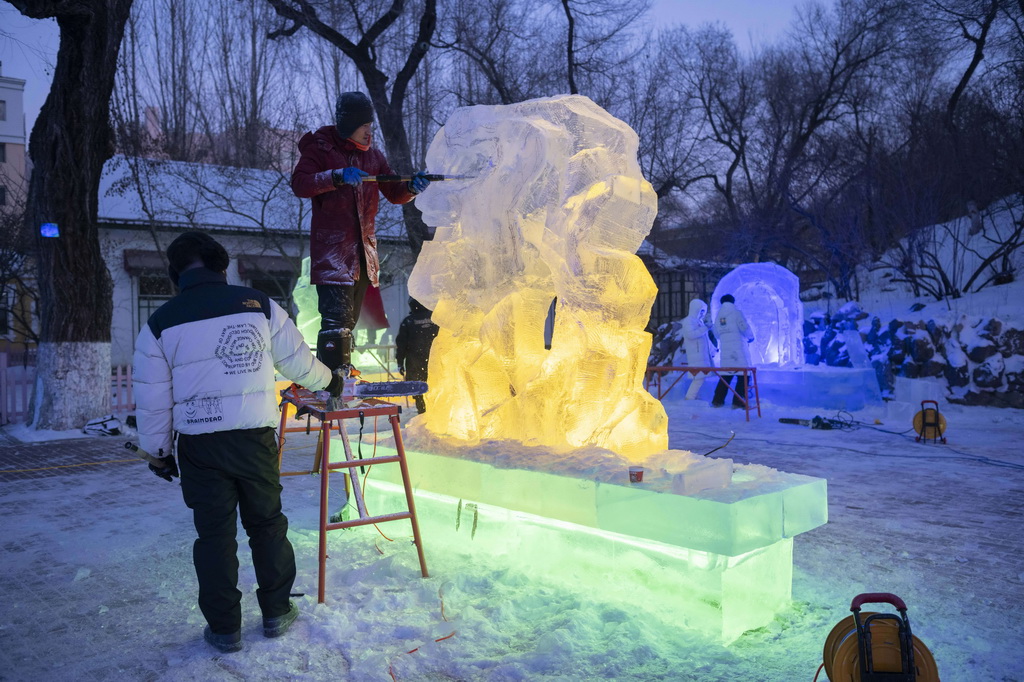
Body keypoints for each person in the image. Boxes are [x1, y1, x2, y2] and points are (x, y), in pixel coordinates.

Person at [133, 232, 345, 653]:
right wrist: (332, 380)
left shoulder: (160, 323)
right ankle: (276, 611)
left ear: (176, 275)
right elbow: (298, 362)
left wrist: (158, 453)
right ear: (221, 266)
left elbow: (153, 397)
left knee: (214, 536)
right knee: (266, 524)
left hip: (198, 446)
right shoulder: (258, 305)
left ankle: (225, 628)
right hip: (253, 440)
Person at [290, 91, 431, 376]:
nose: (369, 132)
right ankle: (333, 376)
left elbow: (393, 192)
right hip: (333, 254)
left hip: (363, 255)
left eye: (371, 126)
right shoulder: (320, 149)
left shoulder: (374, 157)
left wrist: (412, 188)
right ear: (349, 124)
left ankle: (340, 368)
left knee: (350, 320)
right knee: (336, 319)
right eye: (364, 125)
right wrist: (336, 176)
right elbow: (300, 184)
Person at [395, 297, 439, 414]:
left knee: (418, 387)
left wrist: (400, 362)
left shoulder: (408, 321)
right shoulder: (436, 318)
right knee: (435, 385)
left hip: (415, 362)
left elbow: (401, 344)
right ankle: (435, 411)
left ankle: (422, 410)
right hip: (435, 360)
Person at [711, 293, 754, 408]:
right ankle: (738, 402)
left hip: (726, 351)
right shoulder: (736, 313)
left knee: (726, 375)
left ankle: (717, 400)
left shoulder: (718, 316)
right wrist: (750, 337)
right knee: (743, 375)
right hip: (738, 350)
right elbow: (744, 327)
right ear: (733, 302)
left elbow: (716, 334)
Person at [681, 298, 714, 400]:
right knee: (699, 378)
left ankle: (693, 397)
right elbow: (690, 335)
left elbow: (705, 339)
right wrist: (705, 328)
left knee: (700, 377)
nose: (702, 314)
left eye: (703, 311)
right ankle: (690, 397)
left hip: (701, 354)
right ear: (695, 310)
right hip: (696, 354)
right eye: (701, 311)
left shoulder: (698, 322)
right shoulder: (688, 321)